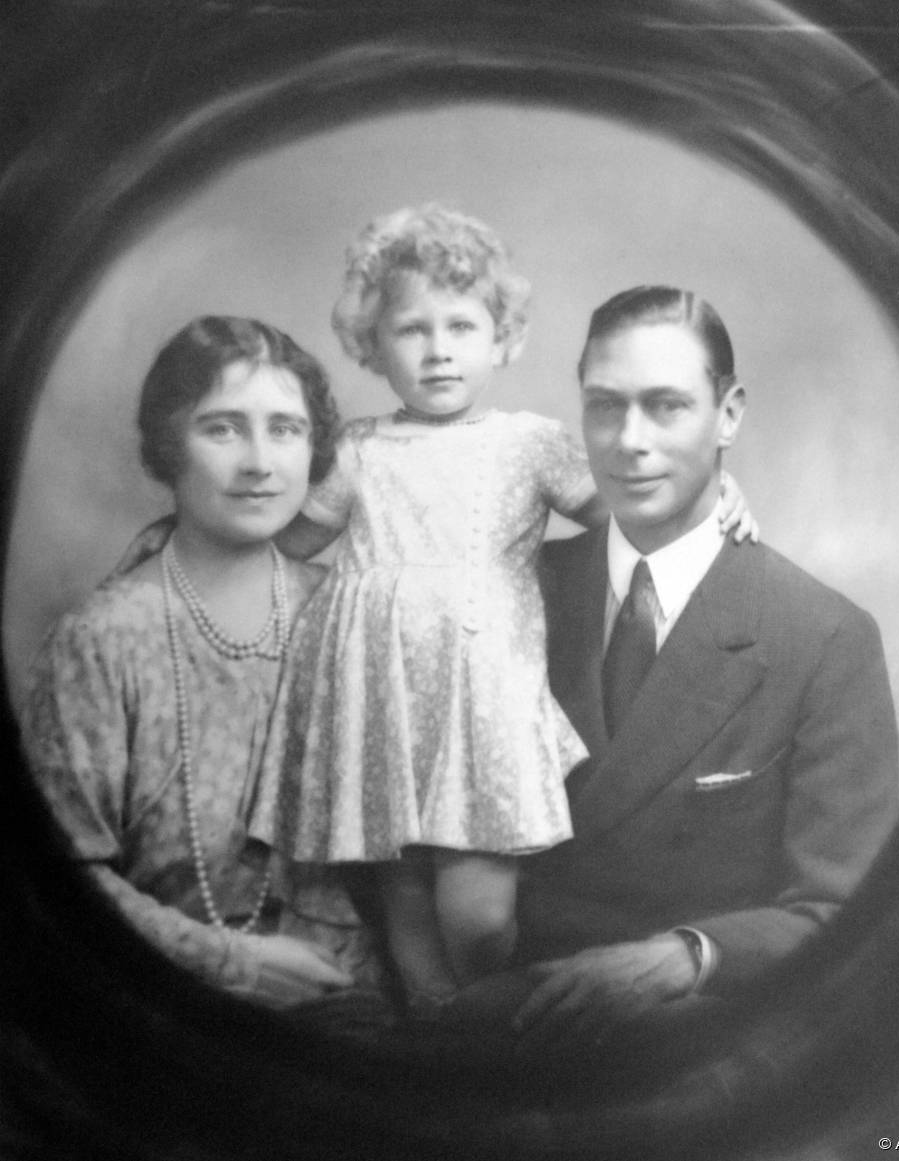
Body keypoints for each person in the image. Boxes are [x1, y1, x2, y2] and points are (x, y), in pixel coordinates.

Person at [246, 207, 757, 1014]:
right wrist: (189, 538)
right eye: (410, 329)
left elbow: (633, 512)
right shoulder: (359, 449)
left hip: (480, 702)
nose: (438, 348)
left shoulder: (528, 442)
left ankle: (495, 1021)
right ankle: (446, 1056)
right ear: (372, 345)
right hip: (379, 699)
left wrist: (716, 491)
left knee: (479, 916)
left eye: (460, 325)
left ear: (501, 338)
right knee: (406, 900)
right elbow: (287, 541)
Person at [488, 285, 899, 1052]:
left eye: (666, 406)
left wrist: (685, 955)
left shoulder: (824, 635)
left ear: (730, 415)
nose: (628, 440)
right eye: (604, 406)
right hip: (507, 1013)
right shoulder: (511, 591)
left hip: (699, 1034)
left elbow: (842, 905)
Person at [19, 316, 378, 1009]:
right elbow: (50, 879)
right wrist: (227, 961)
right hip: (164, 1018)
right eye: (222, 428)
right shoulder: (103, 639)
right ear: (169, 446)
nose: (259, 463)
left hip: (363, 1024)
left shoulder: (350, 613)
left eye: (285, 429)